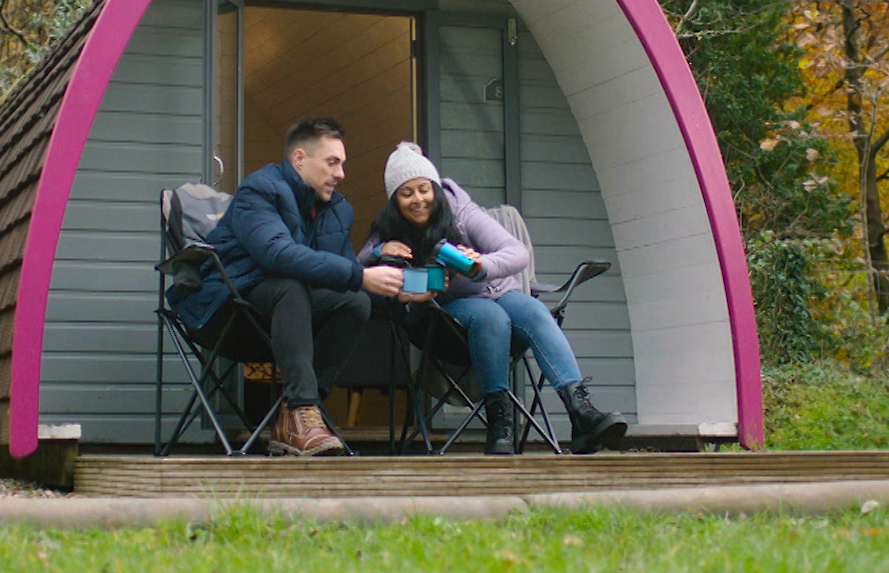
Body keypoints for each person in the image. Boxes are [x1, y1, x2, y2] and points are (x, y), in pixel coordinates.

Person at [359, 141, 627, 455]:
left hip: (501, 294)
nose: (418, 200)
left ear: (435, 188)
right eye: (407, 193)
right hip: (446, 322)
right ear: (394, 200)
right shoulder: (390, 231)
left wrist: (480, 266)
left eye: (424, 189)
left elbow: (517, 253)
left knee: (534, 310)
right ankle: (499, 421)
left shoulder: (461, 213)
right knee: (491, 316)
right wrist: (381, 250)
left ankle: (581, 412)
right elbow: (357, 268)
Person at [171, 118, 408, 457]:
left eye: (342, 164)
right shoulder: (260, 190)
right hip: (226, 311)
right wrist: (360, 275)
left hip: (286, 320)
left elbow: (341, 281)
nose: (341, 173)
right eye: (332, 162)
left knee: (354, 301)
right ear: (299, 159)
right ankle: (301, 410)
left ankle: (298, 412)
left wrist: (399, 294)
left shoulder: (338, 210)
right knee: (290, 283)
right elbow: (277, 255)